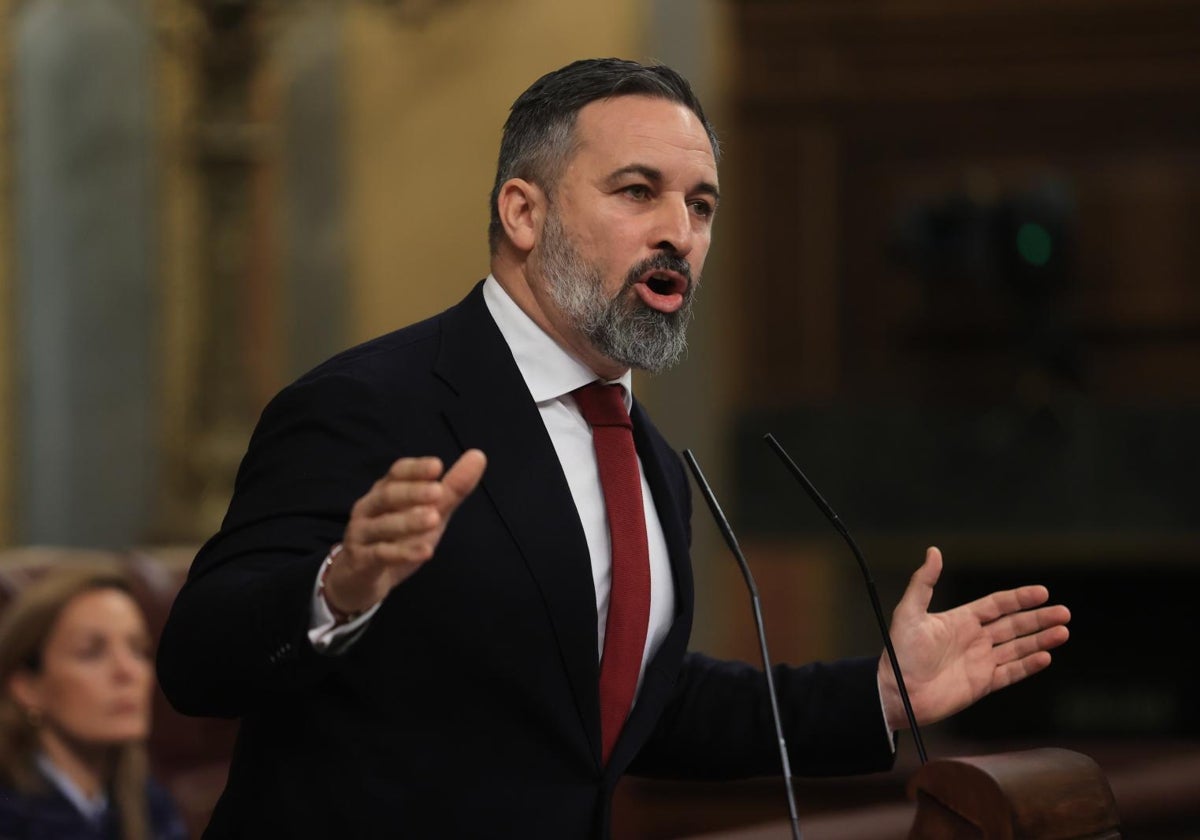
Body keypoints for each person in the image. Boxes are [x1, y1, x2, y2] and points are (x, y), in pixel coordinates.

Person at [156, 58, 1071, 838]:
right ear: (524, 212)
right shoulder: (368, 405)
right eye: (639, 192)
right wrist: (337, 587)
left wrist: (878, 692)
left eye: (702, 205)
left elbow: (636, 705)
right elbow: (199, 661)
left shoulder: (650, 461)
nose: (680, 231)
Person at [0, 565, 188, 840]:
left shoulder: (150, 802)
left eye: (138, 650)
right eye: (91, 652)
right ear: (27, 687)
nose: (128, 671)